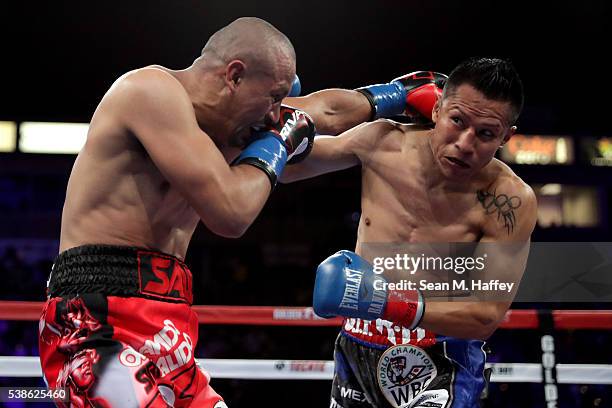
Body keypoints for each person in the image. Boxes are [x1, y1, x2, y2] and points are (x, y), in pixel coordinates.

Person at [38, 16, 327, 408]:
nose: (277, 115)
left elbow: (321, 111)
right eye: (273, 98)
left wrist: (389, 99)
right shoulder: (148, 91)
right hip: (94, 321)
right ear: (235, 76)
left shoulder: (222, 136)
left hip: (169, 327)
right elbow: (231, 213)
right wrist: (279, 142)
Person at [282, 58, 538, 407]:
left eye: (486, 133)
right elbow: (285, 165)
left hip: (442, 357)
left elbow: (484, 316)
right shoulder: (382, 142)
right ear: (436, 109)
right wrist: (385, 97)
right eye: (457, 121)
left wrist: (385, 302)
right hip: (358, 345)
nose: (465, 143)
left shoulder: (508, 199)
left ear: (506, 137)